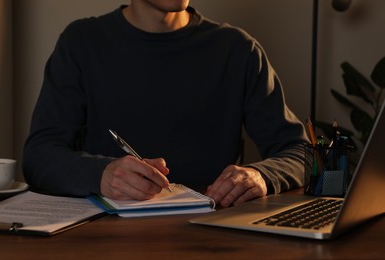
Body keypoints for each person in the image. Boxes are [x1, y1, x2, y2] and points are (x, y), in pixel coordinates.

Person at [23, 0, 309, 207]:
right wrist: (101, 175)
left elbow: (302, 153)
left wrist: (261, 175)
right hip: (106, 239)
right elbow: (39, 155)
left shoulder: (238, 50)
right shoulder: (81, 43)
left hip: (213, 235)